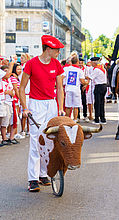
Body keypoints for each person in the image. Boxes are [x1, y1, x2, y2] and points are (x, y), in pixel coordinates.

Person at [19, 35, 65, 192]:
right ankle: (32, 179)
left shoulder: (56, 64)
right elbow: (22, 87)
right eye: (57, 50)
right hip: (36, 104)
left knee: (50, 139)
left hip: (51, 104)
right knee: (35, 139)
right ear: (48, 49)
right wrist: (25, 108)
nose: (58, 52)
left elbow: (59, 88)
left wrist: (60, 107)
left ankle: (43, 174)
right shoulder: (31, 64)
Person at [63, 56, 86, 122]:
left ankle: (67, 119)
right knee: (76, 106)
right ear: (78, 62)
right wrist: (86, 82)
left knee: (68, 106)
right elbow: (82, 81)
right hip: (76, 90)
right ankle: (75, 119)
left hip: (68, 89)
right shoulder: (80, 70)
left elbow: (62, 77)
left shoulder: (66, 69)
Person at [89, 57, 107, 124]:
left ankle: (97, 119)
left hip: (98, 86)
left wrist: (84, 77)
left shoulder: (96, 69)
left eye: (91, 62)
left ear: (94, 62)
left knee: (97, 103)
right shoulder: (102, 68)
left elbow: (90, 77)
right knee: (102, 103)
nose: (91, 64)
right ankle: (103, 119)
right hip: (104, 86)